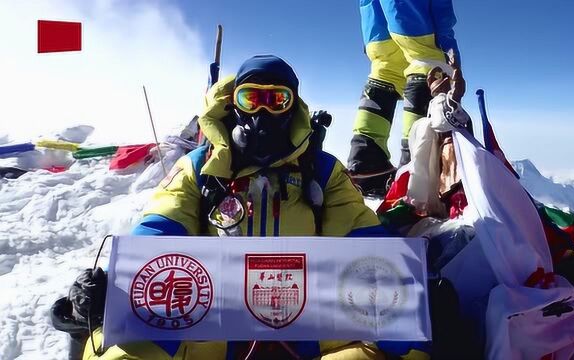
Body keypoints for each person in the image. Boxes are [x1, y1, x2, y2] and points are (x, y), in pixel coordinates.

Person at [51, 55, 429, 360]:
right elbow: (161, 230)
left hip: (314, 328)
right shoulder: (200, 167)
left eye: (276, 100)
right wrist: (116, 287)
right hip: (210, 327)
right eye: (252, 98)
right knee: (124, 348)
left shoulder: (322, 171)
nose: (262, 113)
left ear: (292, 107)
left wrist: (405, 286)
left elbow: (363, 237)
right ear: (234, 104)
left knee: (405, 350)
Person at [347, 0, 463, 196]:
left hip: (375, 28)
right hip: (409, 12)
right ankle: (416, 167)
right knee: (428, 60)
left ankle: (366, 163)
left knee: (385, 69)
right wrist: (447, 43)